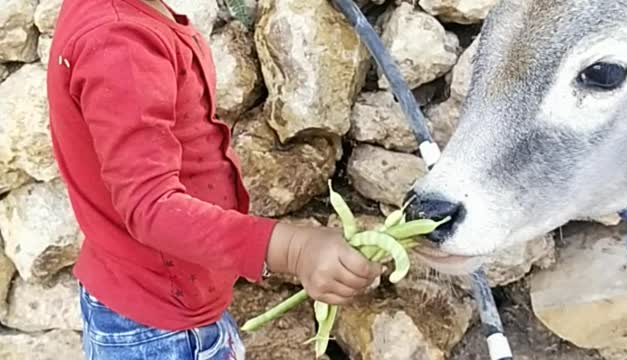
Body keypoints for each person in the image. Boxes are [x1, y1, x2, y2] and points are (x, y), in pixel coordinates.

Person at [46, 0, 383, 358]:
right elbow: (152, 207)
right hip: (160, 331)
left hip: (163, 301)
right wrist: (295, 250)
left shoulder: (126, 21)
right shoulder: (119, 44)